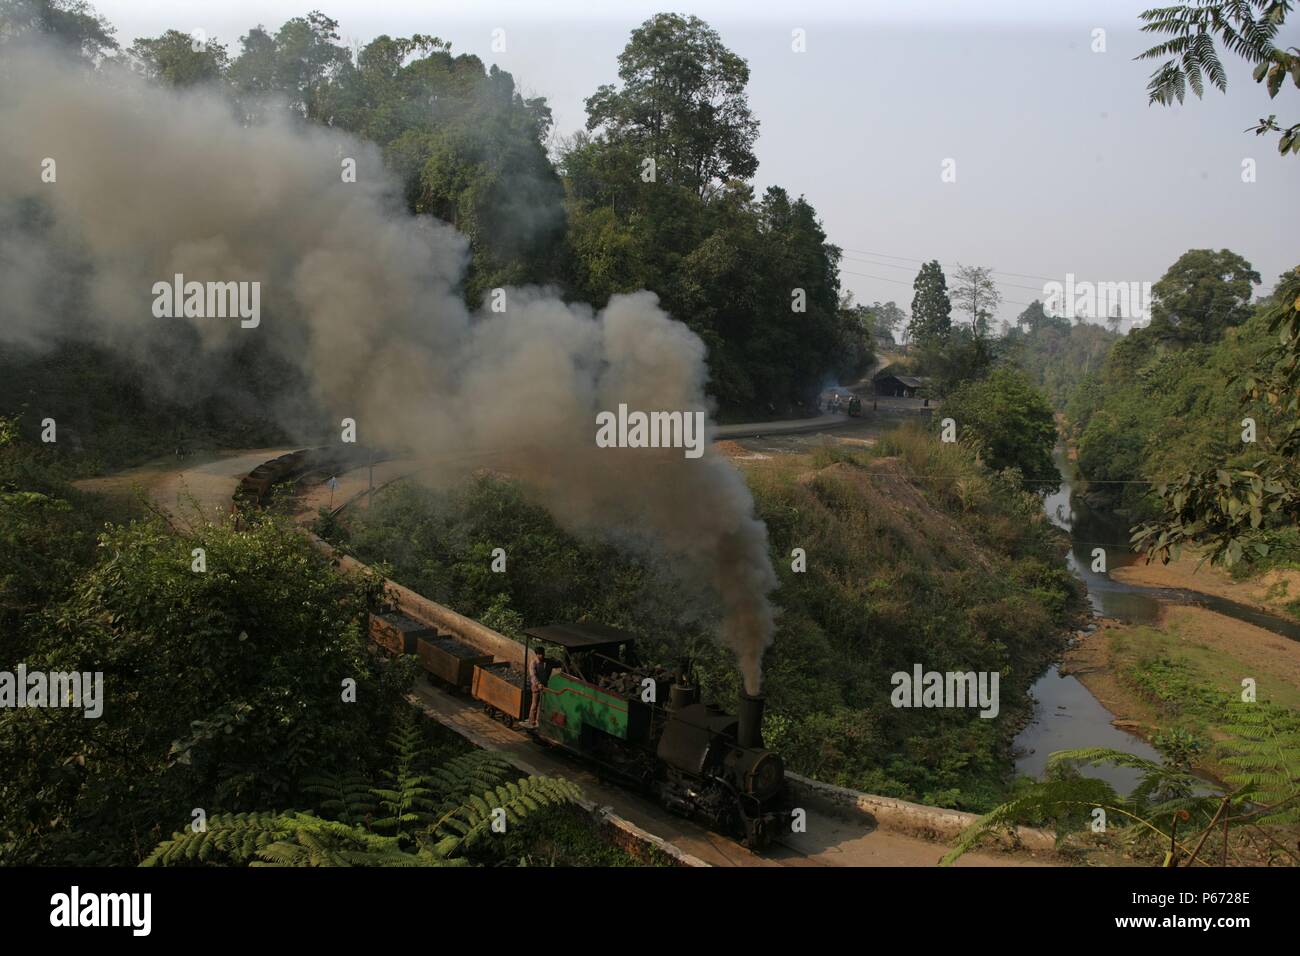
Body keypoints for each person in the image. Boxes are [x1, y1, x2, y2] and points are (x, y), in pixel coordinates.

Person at [527, 649, 548, 727]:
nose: (542, 656)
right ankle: (531, 721)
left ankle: (538, 722)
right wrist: (538, 684)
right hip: (536, 686)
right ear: (536, 654)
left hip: (544, 686)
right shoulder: (534, 663)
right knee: (535, 704)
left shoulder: (545, 662)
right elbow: (533, 675)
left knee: (541, 705)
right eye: (540, 654)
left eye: (543, 654)